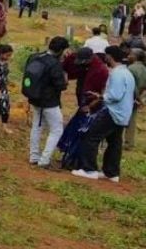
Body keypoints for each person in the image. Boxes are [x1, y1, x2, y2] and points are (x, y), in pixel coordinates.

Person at [72, 46, 133, 182]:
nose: (105, 58)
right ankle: (111, 173)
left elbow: (115, 95)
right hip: (123, 113)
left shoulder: (117, 74)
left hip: (113, 112)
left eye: (106, 55)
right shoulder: (127, 73)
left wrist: (100, 97)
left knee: (91, 137)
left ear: (110, 56)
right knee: (114, 142)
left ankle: (89, 169)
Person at [26, 37, 70, 169]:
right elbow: (61, 85)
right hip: (50, 101)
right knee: (57, 129)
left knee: (37, 126)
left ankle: (34, 156)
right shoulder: (54, 64)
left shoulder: (34, 57)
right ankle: (44, 160)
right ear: (61, 50)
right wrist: (65, 78)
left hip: (35, 98)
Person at [126, 49, 146, 150]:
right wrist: (141, 98)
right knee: (132, 119)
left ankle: (126, 142)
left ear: (135, 56)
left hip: (130, 96)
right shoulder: (144, 68)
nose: (128, 56)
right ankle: (130, 142)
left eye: (130, 54)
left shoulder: (131, 68)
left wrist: (137, 97)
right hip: (139, 96)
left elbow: (132, 85)